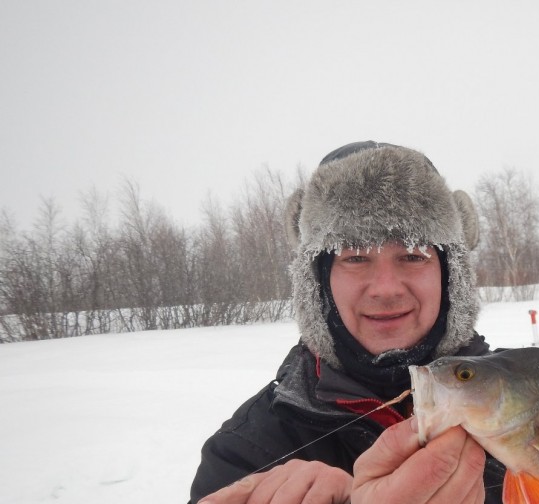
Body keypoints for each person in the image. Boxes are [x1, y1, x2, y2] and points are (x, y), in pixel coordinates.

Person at [189, 141, 505, 504]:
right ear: (319, 283)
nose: (386, 289)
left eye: (412, 255)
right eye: (355, 258)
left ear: (450, 278)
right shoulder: (245, 455)